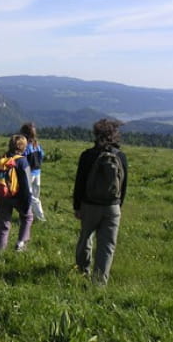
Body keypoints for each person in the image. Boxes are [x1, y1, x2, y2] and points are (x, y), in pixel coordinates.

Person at [73, 119, 128, 285]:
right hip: (112, 207)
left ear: (96, 134)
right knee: (107, 246)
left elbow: (79, 183)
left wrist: (77, 206)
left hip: (89, 205)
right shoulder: (120, 156)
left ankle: (83, 269)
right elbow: (123, 185)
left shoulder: (87, 155)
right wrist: (118, 205)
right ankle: (99, 283)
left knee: (85, 238)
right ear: (115, 135)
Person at [0, 134, 33, 252]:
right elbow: (27, 185)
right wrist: (27, 203)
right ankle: (21, 244)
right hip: (18, 197)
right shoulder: (22, 161)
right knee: (28, 217)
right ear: (23, 147)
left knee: (4, 224)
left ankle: (0, 248)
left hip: (2, 196)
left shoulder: (0, 159)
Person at [20, 122, 46, 221]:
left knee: (30, 196)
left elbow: (23, 159)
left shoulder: (26, 146)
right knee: (35, 195)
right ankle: (32, 215)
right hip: (38, 172)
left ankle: (40, 217)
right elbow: (42, 156)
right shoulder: (37, 145)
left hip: (29, 173)